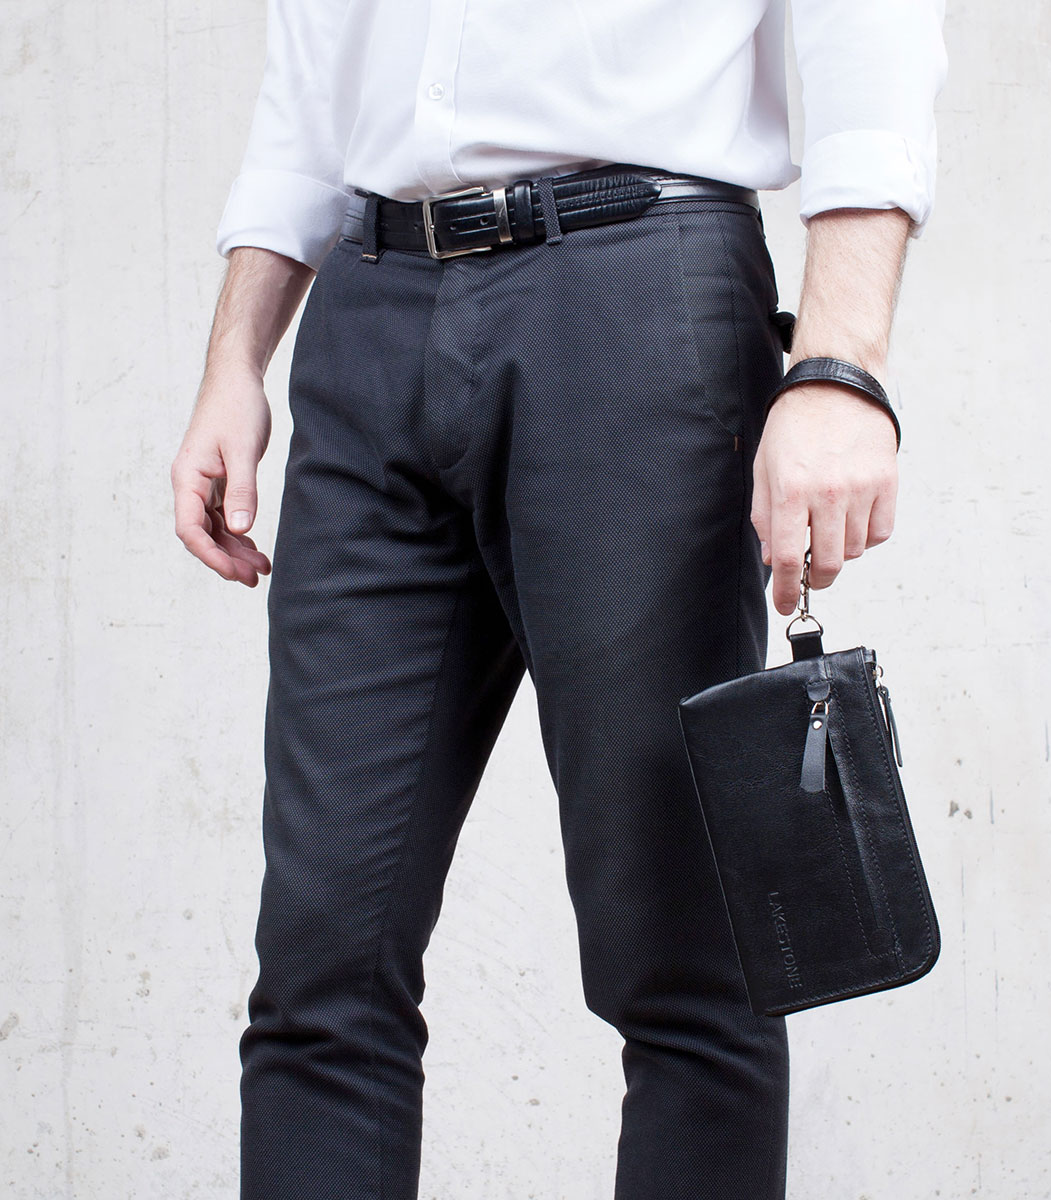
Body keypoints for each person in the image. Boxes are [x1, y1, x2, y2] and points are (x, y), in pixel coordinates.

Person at [171, 2, 946, 1197]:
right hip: (369, 310)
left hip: (632, 292)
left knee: (682, 961)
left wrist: (840, 365)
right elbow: (312, 71)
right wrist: (236, 356)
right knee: (318, 962)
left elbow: (869, 30)